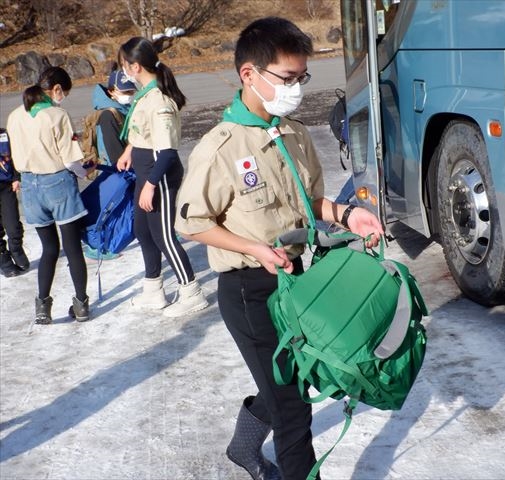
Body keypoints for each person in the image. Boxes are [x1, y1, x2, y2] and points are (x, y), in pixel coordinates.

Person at [174, 17, 384, 479]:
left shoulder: (295, 134)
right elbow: (190, 223)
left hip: (296, 280)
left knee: (294, 381)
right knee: (293, 408)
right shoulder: (220, 147)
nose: (296, 89)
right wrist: (253, 246)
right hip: (249, 292)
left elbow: (308, 202)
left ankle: (243, 446)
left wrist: (349, 215)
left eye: (301, 78)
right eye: (286, 79)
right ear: (250, 74)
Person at [116, 37, 208, 318]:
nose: (121, 71)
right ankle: (153, 290)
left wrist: (151, 186)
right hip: (144, 172)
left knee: (164, 236)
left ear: (135, 67)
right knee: (143, 232)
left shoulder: (159, 100)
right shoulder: (144, 94)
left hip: (160, 176)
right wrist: (130, 150)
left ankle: (191, 292)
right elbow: (145, 133)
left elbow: (167, 151)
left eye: (123, 66)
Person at [6, 66, 94, 324]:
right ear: (56, 89)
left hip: (30, 186)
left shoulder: (15, 116)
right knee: (72, 247)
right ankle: (80, 305)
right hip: (57, 184)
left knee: (49, 249)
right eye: (63, 92)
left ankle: (43, 306)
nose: (63, 97)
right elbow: (70, 160)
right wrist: (85, 170)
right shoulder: (57, 115)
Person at [84, 68, 138, 261]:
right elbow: (116, 154)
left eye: (131, 92)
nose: (129, 96)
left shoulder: (123, 110)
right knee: (111, 211)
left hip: (122, 170)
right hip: (115, 171)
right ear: (112, 91)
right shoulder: (109, 115)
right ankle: (99, 245)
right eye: (125, 92)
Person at [0, 128, 29, 277]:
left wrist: (16, 177)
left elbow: (15, 157)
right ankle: (4, 261)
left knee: (13, 225)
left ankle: (16, 250)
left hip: (6, 186)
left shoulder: (4, 135)